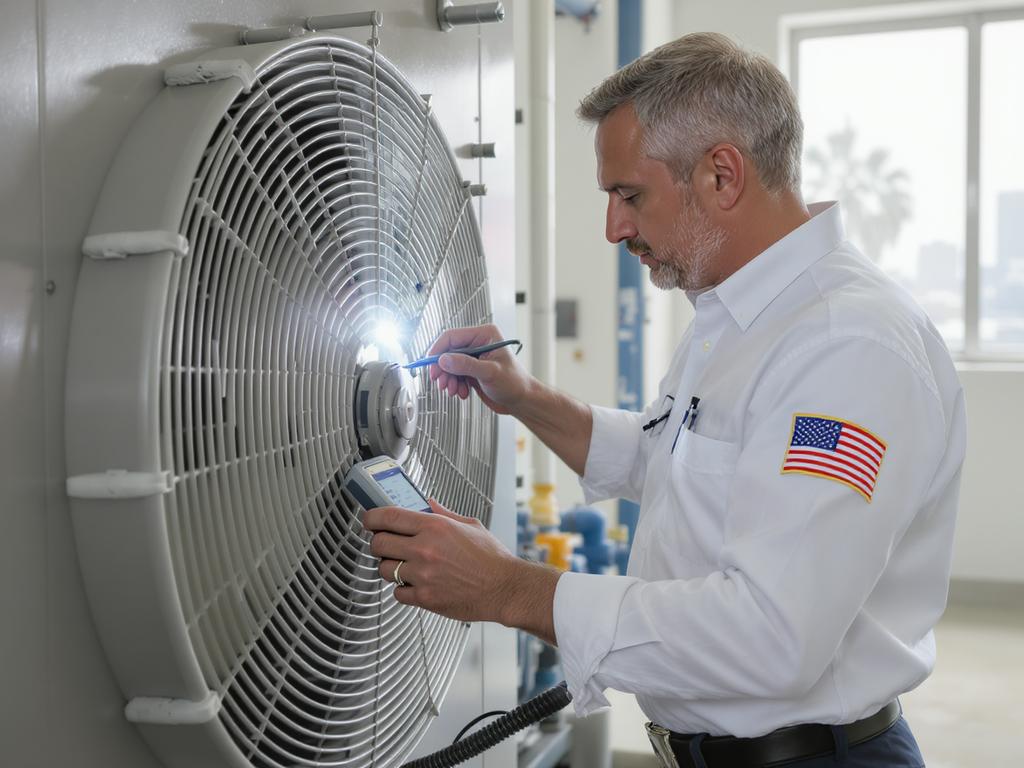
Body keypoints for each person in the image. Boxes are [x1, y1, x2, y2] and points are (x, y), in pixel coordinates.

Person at [363, 32, 965, 768]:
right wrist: (521, 397)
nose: (614, 227)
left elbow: (772, 637)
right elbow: (667, 459)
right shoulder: (736, 317)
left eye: (629, 195)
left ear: (721, 175)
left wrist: (509, 589)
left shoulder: (848, 346)